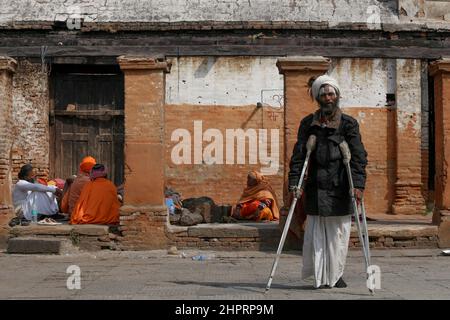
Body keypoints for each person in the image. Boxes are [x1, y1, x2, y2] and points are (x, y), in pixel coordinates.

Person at [288, 74, 368, 289]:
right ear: (317, 98)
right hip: (315, 189)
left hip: (340, 188)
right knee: (315, 236)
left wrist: (358, 185)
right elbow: (298, 157)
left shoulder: (348, 124)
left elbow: (359, 157)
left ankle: (335, 274)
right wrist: (295, 184)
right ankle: (320, 276)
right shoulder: (308, 123)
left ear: (337, 96)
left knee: (338, 236)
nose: (328, 98)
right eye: (323, 94)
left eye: (331, 93)